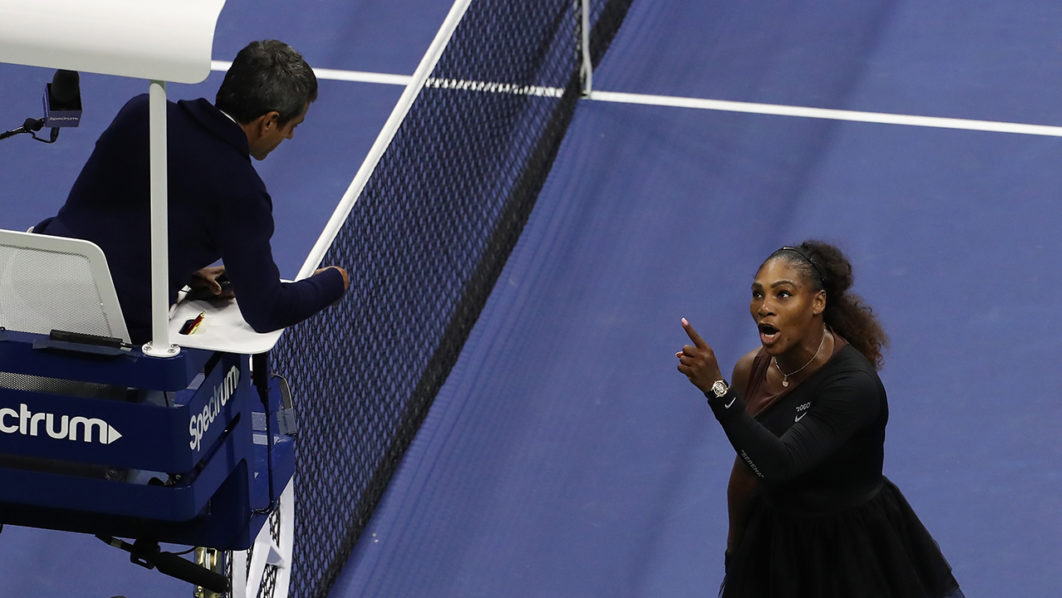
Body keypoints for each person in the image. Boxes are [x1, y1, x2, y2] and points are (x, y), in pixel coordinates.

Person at [675, 240, 962, 597]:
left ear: (818, 302)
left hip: (856, 550)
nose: (764, 307)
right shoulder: (750, 370)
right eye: (758, 294)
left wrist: (717, 390)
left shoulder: (853, 386)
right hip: (778, 544)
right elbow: (748, 468)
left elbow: (779, 465)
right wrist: (735, 549)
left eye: (782, 294)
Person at [33, 40, 349, 343]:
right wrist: (334, 281)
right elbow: (268, 310)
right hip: (108, 327)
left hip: (32, 285)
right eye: (293, 126)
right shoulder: (242, 190)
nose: (290, 136)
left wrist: (179, 270)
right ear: (268, 121)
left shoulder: (141, 111)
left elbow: (121, 217)